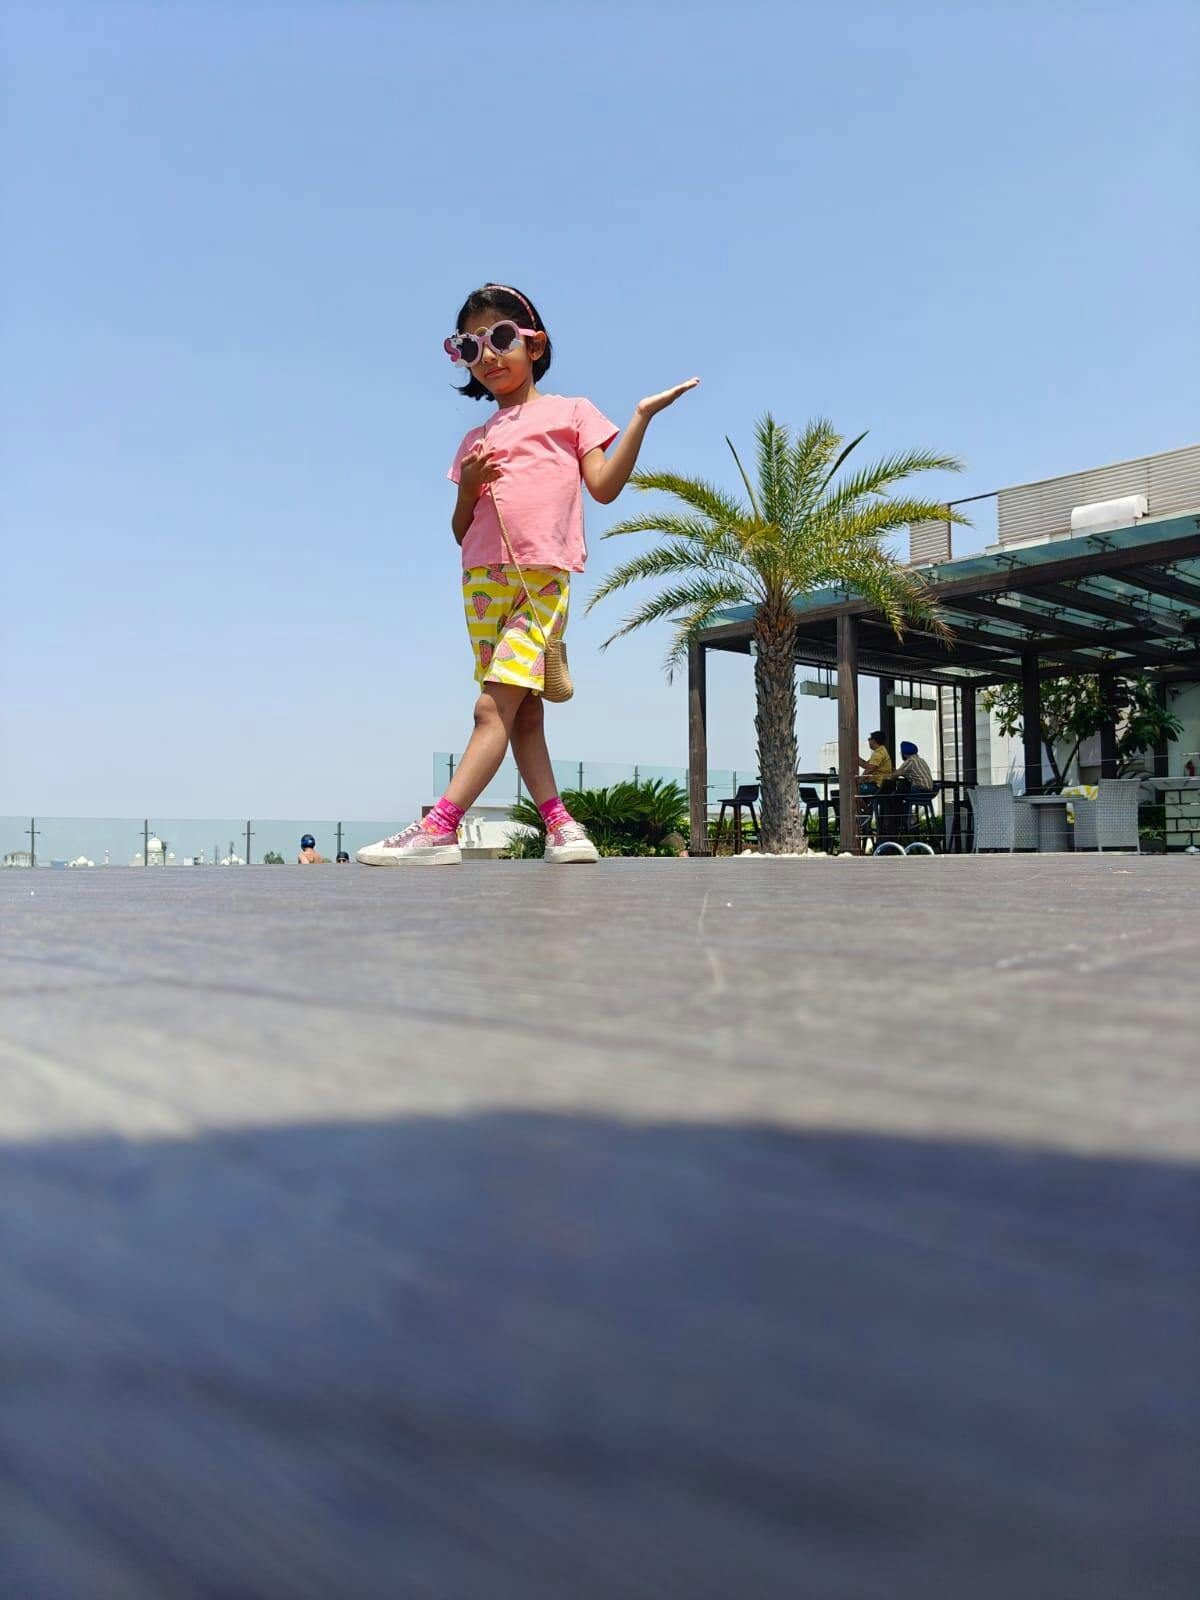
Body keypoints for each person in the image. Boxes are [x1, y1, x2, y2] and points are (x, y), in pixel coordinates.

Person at [357, 283, 698, 867]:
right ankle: (562, 828)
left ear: (535, 345)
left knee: (490, 709)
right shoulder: (475, 440)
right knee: (524, 711)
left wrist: (640, 418)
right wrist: (468, 486)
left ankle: (439, 828)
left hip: (542, 580)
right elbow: (461, 529)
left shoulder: (572, 413)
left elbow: (604, 487)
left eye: (501, 337)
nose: (487, 355)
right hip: (481, 584)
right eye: (470, 347)